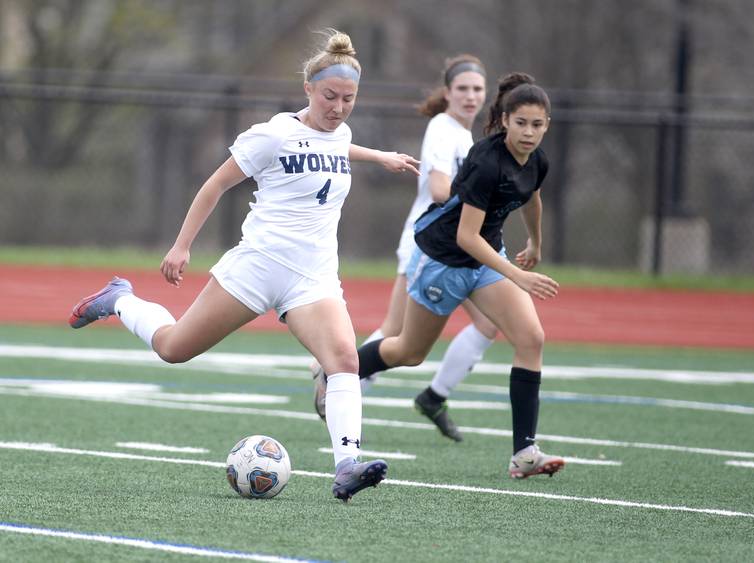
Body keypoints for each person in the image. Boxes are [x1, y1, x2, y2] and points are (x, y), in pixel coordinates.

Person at [67, 30, 420, 502]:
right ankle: (119, 298)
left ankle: (346, 466)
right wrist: (181, 246)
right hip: (257, 266)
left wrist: (381, 157)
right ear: (309, 90)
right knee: (174, 348)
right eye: (330, 97)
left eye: (349, 99)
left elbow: (337, 147)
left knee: (345, 361)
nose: (338, 108)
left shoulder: (343, 132)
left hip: (312, 277)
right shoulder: (271, 135)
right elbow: (215, 185)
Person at [351, 72, 565, 478]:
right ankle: (340, 370)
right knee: (407, 352)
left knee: (531, 338)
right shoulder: (486, 161)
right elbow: (467, 237)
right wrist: (517, 277)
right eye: (521, 123)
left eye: (538, 125)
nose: (529, 132)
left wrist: (536, 242)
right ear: (504, 120)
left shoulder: (537, 158)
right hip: (444, 259)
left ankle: (524, 454)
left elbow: (532, 197)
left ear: (546, 126)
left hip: (485, 260)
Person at [313, 55, 499, 443]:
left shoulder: (465, 136)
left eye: (477, 89)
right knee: (396, 333)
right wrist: (487, 200)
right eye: (462, 88)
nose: (470, 96)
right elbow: (439, 190)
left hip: (458, 247)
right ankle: (338, 386)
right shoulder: (443, 129)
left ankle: (433, 396)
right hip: (428, 244)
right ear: (447, 93)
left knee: (486, 324)